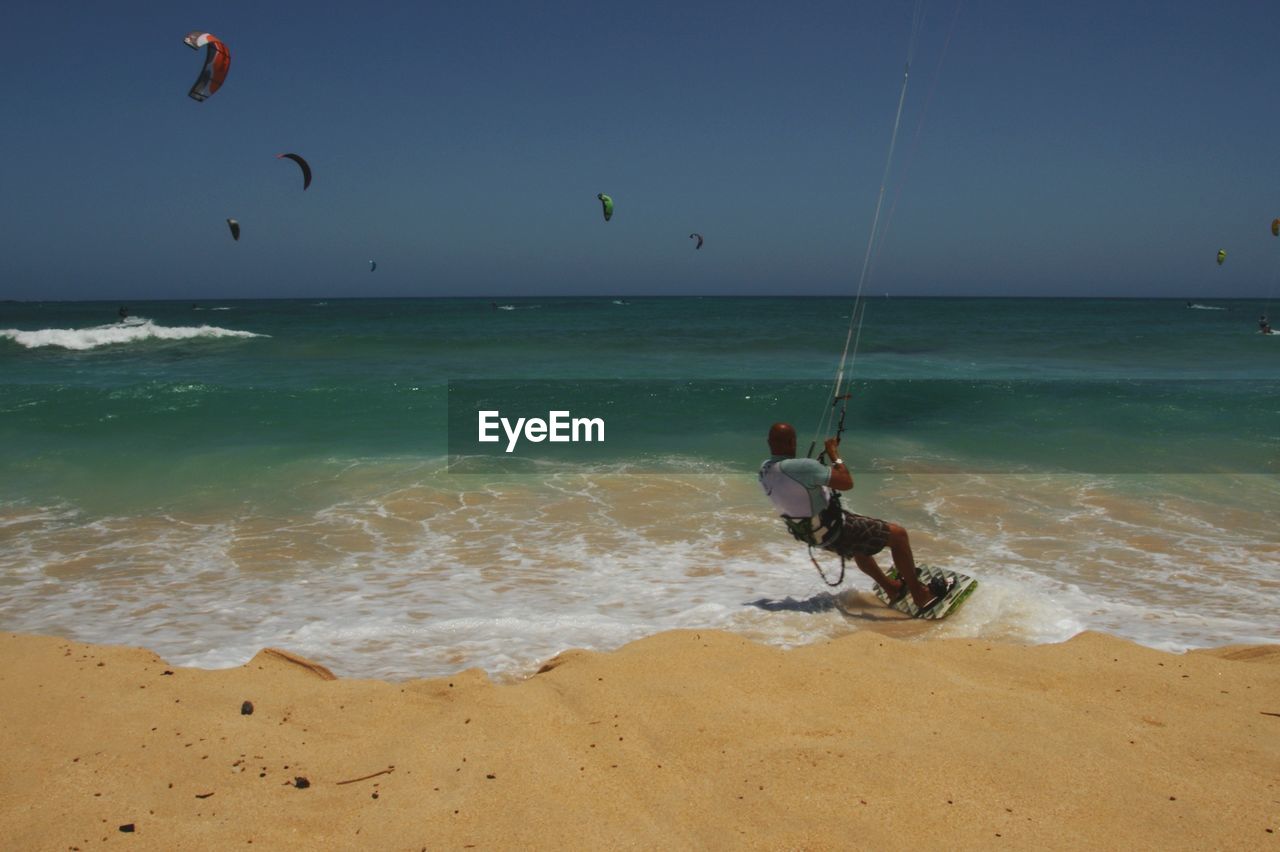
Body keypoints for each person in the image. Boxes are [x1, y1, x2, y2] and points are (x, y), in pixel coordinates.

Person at [759, 422, 949, 615]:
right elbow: (846, 483)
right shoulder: (803, 467)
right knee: (898, 536)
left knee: (860, 546)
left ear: (768, 442)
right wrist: (834, 454)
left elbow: (797, 485)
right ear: (793, 442)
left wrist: (814, 470)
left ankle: (892, 588)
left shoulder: (764, 470)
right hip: (835, 529)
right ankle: (920, 595)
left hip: (813, 536)